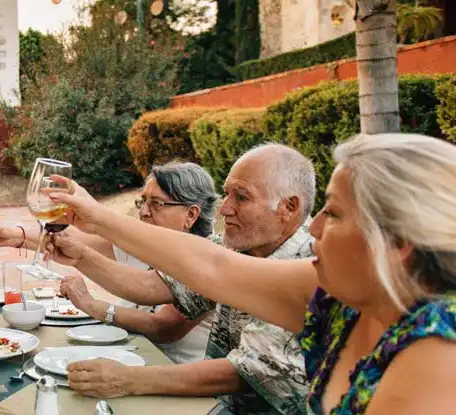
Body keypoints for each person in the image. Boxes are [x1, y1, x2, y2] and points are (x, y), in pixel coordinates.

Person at [51, 133, 456, 414]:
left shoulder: (435, 356)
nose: (314, 228)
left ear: (396, 242)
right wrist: (97, 217)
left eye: (332, 213)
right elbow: (213, 267)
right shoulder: (336, 292)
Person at [47, 144, 316, 414]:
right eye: (226, 194)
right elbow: (150, 285)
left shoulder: (310, 266)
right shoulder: (241, 246)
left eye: (242, 197)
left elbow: (242, 372)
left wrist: (127, 379)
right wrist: (82, 252)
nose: (224, 209)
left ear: (289, 207)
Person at [0, 162, 216, 363]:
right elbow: (76, 240)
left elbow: (163, 327)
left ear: (191, 215)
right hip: (126, 358)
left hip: (169, 377)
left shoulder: (208, 260)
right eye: (142, 201)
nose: (143, 211)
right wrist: (15, 236)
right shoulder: (143, 246)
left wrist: (91, 304)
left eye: (156, 203)